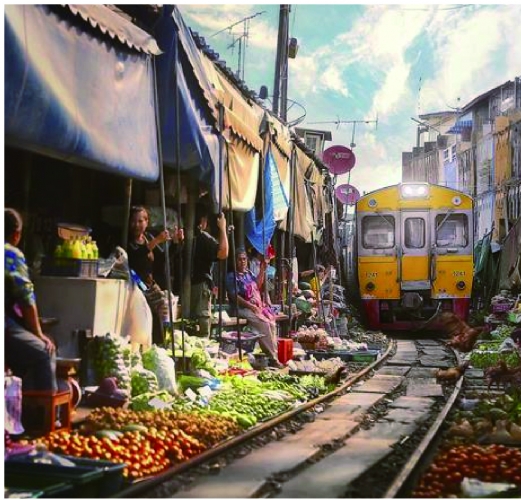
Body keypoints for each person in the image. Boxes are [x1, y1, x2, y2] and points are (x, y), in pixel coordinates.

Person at [4, 208, 57, 392]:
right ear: (17, 234)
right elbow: (26, 298)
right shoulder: (10, 253)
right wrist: (39, 334)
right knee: (44, 351)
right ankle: (47, 418)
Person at [127, 206, 183, 344]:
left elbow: (163, 259)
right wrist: (156, 241)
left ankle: (159, 343)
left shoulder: (148, 238)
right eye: (133, 221)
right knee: (144, 316)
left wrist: (176, 243)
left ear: (146, 222)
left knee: (164, 309)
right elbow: (135, 257)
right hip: (134, 282)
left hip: (149, 284)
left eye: (140, 221)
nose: (136, 225)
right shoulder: (128, 240)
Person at [226, 249, 283, 368]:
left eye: (244, 259)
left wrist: (262, 269)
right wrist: (250, 306)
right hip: (241, 308)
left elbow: (257, 285)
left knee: (272, 323)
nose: (242, 262)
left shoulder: (249, 274)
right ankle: (273, 358)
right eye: (239, 259)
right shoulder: (232, 277)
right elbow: (234, 296)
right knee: (264, 324)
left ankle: (273, 354)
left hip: (254, 307)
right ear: (235, 261)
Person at [190, 206, 228, 337]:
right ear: (202, 221)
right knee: (202, 327)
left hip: (186, 286)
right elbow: (223, 253)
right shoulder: (202, 237)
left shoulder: (183, 234)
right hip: (200, 285)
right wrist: (222, 228)